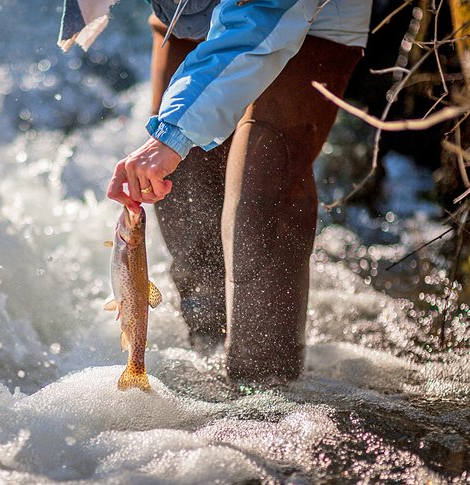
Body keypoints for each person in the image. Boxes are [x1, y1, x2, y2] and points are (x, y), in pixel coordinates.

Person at [60, 0, 372, 381]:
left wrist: (172, 134)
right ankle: (204, 357)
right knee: (180, 186)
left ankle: (266, 397)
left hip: (311, 16)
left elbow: (264, 15)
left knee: (257, 206)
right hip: (189, 13)